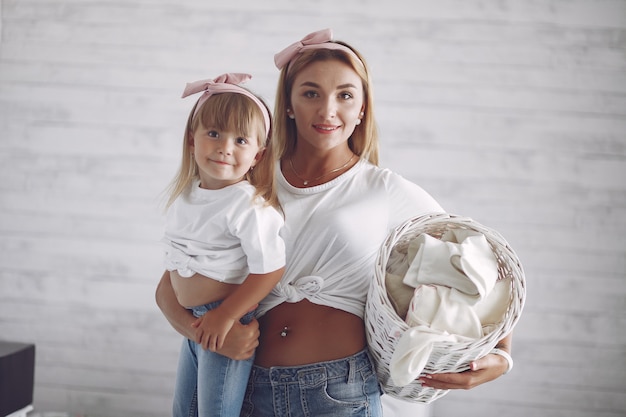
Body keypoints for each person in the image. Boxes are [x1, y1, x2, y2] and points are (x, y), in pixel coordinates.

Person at [156, 29, 513, 417]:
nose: (327, 110)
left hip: (336, 393)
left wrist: (502, 355)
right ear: (288, 104)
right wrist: (204, 335)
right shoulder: (249, 180)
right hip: (245, 388)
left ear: (362, 108)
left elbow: (476, 261)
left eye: (344, 95)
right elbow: (178, 279)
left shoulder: (384, 190)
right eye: (310, 93)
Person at [160, 73, 286, 417]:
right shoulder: (186, 196)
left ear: (257, 156)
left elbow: (270, 268)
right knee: (183, 410)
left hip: (224, 320)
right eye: (213, 133)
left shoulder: (246, 205)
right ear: (191, 140)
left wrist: (224, 316)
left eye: (240, 140)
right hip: (194, 322)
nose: (225, 147)